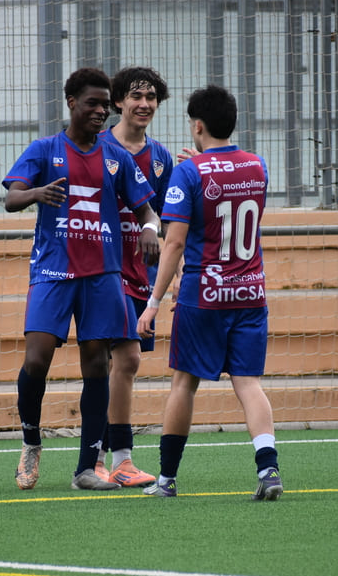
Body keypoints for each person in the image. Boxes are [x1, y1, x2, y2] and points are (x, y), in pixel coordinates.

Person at [3, 67, 162, 491]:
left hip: (102, 275)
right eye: (91, 103)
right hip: (53, 270)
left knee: (97, 364)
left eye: (104, 103)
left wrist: (149, 229)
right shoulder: (44, 149)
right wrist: (36, 193)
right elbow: (10, 197)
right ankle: (31, 442)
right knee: (36, 359)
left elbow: (147, 209)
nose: (99, 110)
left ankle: (87, 468)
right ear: (71, 102)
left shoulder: (117, 158)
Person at [136, 84, 282, 500]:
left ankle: (166, 480)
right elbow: (228, 191)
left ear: (197, 126)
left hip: (204, 295)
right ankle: (268, 469)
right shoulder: (259, 166)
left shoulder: (188, 172)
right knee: (249, 383)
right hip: (251, 292)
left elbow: (175, 242)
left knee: (184, 383)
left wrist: (152, 303)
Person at [94, 66, 173, 487]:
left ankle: (98, 456)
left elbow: (168, 216)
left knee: (115, 364)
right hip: (104, 270)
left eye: (151, 98)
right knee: (127, 359)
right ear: (119, 101)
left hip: (144, 272)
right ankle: (121, 458)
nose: (144, 104)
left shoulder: (161, 158)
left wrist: (193, 174)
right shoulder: (97, 146)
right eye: (135, 97)